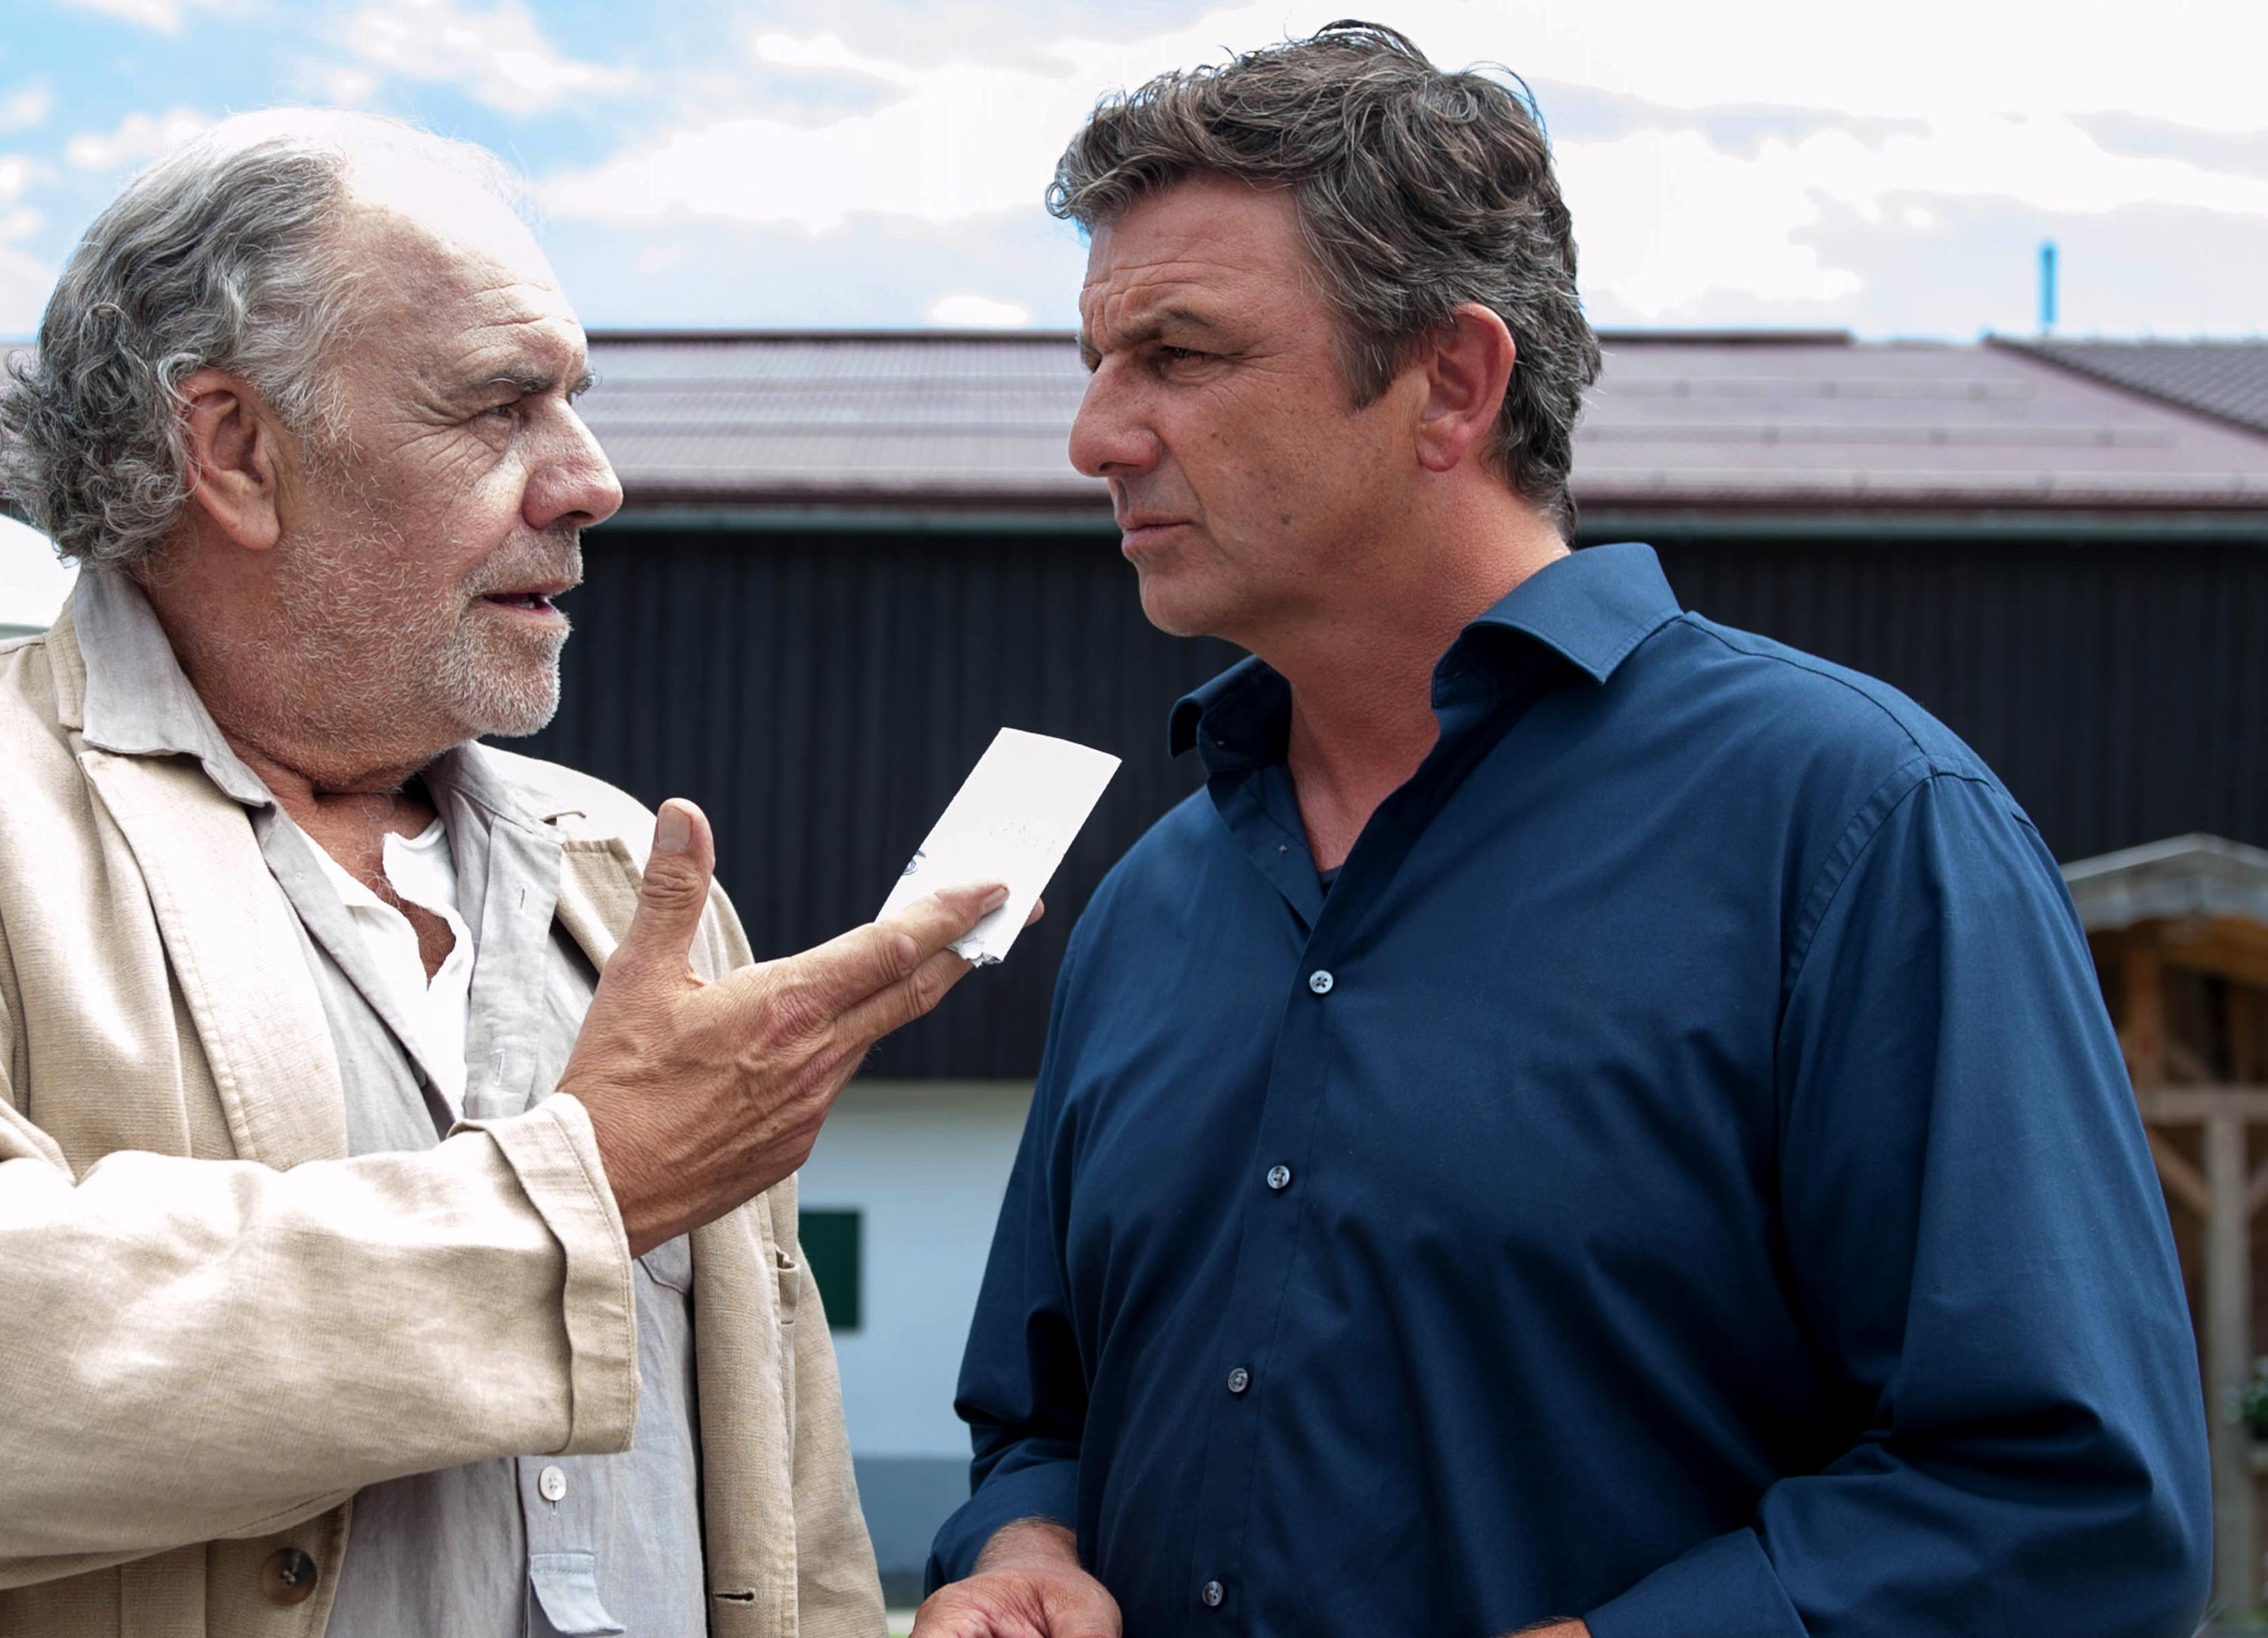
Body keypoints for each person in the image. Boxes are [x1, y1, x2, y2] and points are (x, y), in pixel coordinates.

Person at [0, 111, 1005, 1638]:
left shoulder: (622, 870)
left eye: (576, 405)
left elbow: (787, 1518)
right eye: (500, 408)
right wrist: (585, 1197)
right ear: (233, 450)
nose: (592, 480)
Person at [916, 24, 2209, 1638]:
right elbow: (1035, 1422)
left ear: (1451, 383)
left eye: (1177, 355)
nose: (1096, 436)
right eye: (1099, 362)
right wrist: (1025, 1551)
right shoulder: (1147, 905)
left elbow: (2076, 1513)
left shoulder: (1857, 829)